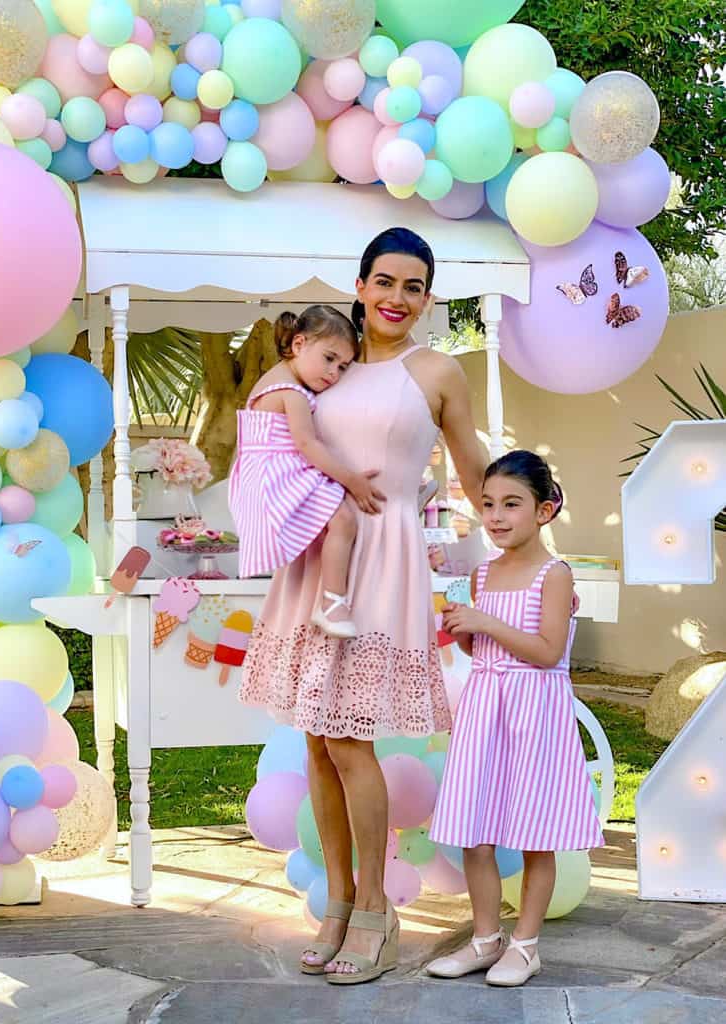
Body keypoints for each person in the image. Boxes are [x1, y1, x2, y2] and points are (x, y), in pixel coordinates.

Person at [238, 227, 487, 984]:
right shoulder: (323, 367)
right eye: (385, 281)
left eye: (413, 286)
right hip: (319, 556)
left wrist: (516, 531)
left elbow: (475, 466)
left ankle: (377, 909)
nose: (396, 299)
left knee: (349, 740)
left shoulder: (436, 370)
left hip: (384, 562)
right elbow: (272, 438)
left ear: (428, 297)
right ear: (359, 284)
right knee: (316, 739)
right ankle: (339, 902)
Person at [427, 451, 604, 988]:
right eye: (487, 505)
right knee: (474, 832)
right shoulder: (482, 574)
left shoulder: (554, 573)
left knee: (533, 832)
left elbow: (548, 651)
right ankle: (485, 938)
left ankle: (525, 946)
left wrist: (485, 621)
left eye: (512, 504)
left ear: (545, 510)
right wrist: (465, 629)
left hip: (534, 711)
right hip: (486, 706)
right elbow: (484, 646)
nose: (497, 517)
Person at [229, 304, 382, 638]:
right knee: (344, 521)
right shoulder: (291, 392)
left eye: (342, 367)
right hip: (278, 473)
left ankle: (329, 598)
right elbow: (308, 445)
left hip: (271, 469)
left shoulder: (280, 378)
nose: (334, 374)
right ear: (298, 344)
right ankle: (332, 602)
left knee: (335, 523)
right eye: (329, 359)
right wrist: (351, 480)